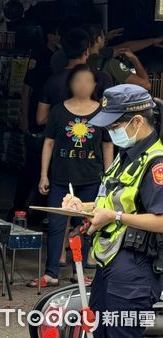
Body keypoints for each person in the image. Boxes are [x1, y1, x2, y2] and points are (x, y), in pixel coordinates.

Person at [63, 84, 163, 338]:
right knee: (99, 331)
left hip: (137, 267)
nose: (110, 132)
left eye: (114, 126)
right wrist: (82, 206)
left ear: (138, 121)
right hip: (110, 262)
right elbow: (114, 202)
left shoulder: (156, 163)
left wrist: (114, 217)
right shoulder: (126, 155)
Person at [27, 64, 114, 288]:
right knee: (56, 225)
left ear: (95, 85)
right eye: (78, 80)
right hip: (60, 178)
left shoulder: (103, 112)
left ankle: (80, 272)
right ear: (70, 84)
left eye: (87, 80)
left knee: (85, 226)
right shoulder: (58, 110)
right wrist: (43, 175)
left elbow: (107, 145)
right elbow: (49, 143)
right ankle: (51, 273)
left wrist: (109, 176)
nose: (82, 85)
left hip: (91, 179)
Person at [10, 21, 60, 222]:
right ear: (49, 36)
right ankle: (18, 208)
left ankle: (38, 213)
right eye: (56, 35)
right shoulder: (39, 58)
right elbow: (26, 89)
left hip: (51, 125)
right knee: (31, 169)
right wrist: (23, 117)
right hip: (36, 123)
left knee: (46, 170)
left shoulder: (60, 59)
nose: (59, 39)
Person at [37, 28, 113, 127]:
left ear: (64, 51)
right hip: (93, 138)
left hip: (62, 139)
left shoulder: (52, 82)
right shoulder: (102, 79)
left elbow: (41, 119)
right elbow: (108, 115)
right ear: (86, 51)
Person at [84, 24, 152, 90]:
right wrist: (134, 58)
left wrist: (104, 39)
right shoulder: (110, 63)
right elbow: (146, 85)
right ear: (98, 39)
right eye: (103, 35)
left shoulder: (78, 60)